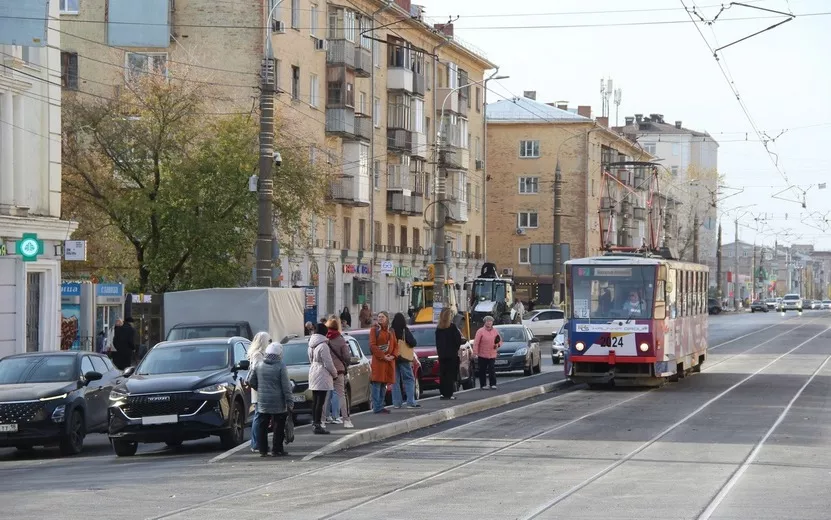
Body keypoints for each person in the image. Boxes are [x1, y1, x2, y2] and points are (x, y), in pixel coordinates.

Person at [248, 342, 293, 457]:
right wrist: (289, 401)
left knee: (262, 425)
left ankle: (263, 449)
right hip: (278, 401)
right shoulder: (280, 365)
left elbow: (250, 380)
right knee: (279, 425)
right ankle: (277, 449)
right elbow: (286, 386)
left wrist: (260, 389)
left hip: (263, 400)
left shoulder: (259, 364)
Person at [322, 317, 354, 428]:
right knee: (341, 395)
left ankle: (322, 420)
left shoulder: (324, 338)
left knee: (325, 396)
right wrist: (347, 363)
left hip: (326, 370)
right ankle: (346, 420)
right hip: (339, 370)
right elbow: (346, 356)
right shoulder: (340, 339)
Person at [308, 329, 337, 434]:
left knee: (315, 401)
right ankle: (318, 425)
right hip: (322, 373)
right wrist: (334, 374)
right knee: (321, 402)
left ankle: (314, 423)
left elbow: (311, 360)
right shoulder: (323, 346)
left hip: (313, 372)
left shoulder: (311, 345)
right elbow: (328, 363)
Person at [369, 311, 397, 414]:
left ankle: (381, 405)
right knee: (377, 384)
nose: (380, 318)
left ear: (387, 318)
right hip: (379, 361)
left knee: (384, 384)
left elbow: (395, 345)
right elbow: (372, 345)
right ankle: (377, 407)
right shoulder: (374, 330)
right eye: (379, 317)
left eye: (382, 317)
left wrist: (393, 355)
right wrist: (383, 356)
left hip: (389, 361)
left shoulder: (391, 331)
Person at [246, 331, 270, 453]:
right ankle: (256, 443)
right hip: (259, 388)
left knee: (258, 415)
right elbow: (257, 370)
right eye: (268, 340)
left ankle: (256, 443)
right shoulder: (258, 355)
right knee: (258, 416)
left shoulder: (259, 353)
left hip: (260, 388)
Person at [390, 312, 419, 409]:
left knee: (395, 380)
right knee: (409, 379)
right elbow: (413, 342)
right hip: (403, 358)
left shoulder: (391, 331)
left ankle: (396, 403)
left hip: (393, 358)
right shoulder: (404, 330)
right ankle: (410, 401)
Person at [435, 308, 464, 400]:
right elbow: (458, 340)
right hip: (451, 355)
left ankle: (443, 393)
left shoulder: (438, 328)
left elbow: (437, 343)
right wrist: (455, 348)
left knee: (443, 374)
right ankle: (449, 393)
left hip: (442, 355)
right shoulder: (452, 327)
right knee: (450, 375)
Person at [473, 315, 499, 390]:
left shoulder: (495, 331)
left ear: (492, 322)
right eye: (487, 321)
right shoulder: (480, 331)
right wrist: (475, 352)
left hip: (492, 354)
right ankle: (483, 384)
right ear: (485, 322)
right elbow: (476, 342)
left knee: (492, 369)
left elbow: (499, 340)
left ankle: (493, 384)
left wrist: (497, 345)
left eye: (490, 321)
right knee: (482, 370)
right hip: (482, 354)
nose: (489, 323)